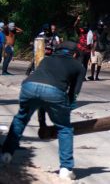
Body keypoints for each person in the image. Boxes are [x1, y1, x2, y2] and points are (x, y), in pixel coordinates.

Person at [1, 41, 85, 180]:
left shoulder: (47, 59)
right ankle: (66, 168)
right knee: (64, 128)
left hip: (29, 86)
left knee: (21, 119)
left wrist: (42, 123)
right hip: (55, 92)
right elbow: (74, 93)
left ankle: (6, 154)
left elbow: (41, 100)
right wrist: (66, 110)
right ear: (75, 54)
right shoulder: (78, 66)